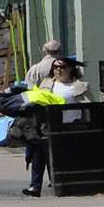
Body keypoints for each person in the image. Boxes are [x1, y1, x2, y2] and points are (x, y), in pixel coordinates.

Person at [23, 55, 89, 197]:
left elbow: (89, 106)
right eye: (55, 67)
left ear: (70, 69)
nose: (58, 70)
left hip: (70, 127)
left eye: (62, 67)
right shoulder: (47, 84)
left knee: (65, 157)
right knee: (38, 154)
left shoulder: (79, 86)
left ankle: (63, 183)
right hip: (49, 126)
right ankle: (35, 186)